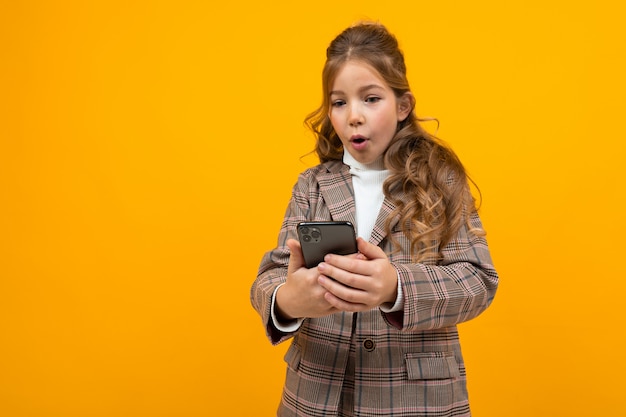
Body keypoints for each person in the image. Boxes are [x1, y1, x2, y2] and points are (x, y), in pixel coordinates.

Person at [250, 21, 498, 417]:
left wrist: (396, 286)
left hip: (417, 403)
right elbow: (269, 276)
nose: (354, 117)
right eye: (339, 102)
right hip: (315, 397)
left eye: (370, 99)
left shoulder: (440, 180)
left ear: (403, 106)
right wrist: (287, 300)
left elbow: (478, 279)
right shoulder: (312, 185)